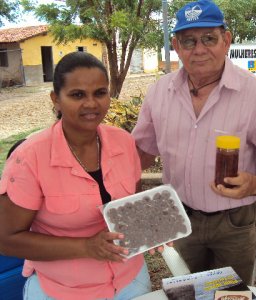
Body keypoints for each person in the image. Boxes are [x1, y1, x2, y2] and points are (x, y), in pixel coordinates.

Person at [132, 0, 256, 284]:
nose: (199, 49)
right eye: (188, 40)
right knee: (185, 290)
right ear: (176, 45)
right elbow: (139, 153)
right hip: (178, 216)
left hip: (234, 221)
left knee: (229, 294)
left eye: (209, 38)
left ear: (227, 40)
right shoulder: (160, 92)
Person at [0, 52, 152, 300]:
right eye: (77, 95)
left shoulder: (123, 143)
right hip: (64, 290)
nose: (91, 104)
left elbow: (128, 208)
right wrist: (86, 247)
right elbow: (7, 240)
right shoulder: (29, 158)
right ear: (56, 100)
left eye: (100, 93)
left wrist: (152, 229)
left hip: (131, 280)